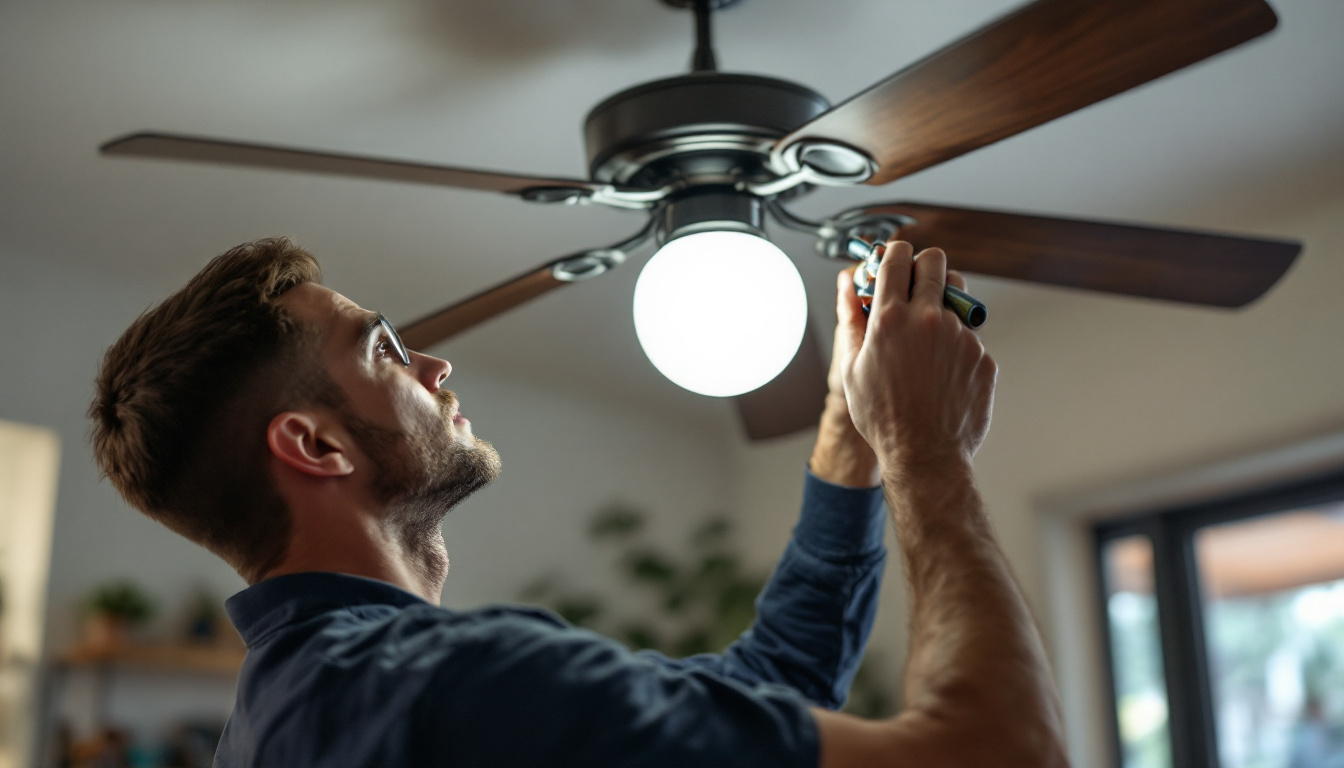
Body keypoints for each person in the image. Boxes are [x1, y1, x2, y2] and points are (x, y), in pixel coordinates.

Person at [90, 236, 1068, 767]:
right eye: (383, 351)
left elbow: (768, 688)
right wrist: (927, 450)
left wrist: (852, 437)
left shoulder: (300, 712)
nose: (435, 363)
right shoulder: (442, 684)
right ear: (314, 443)